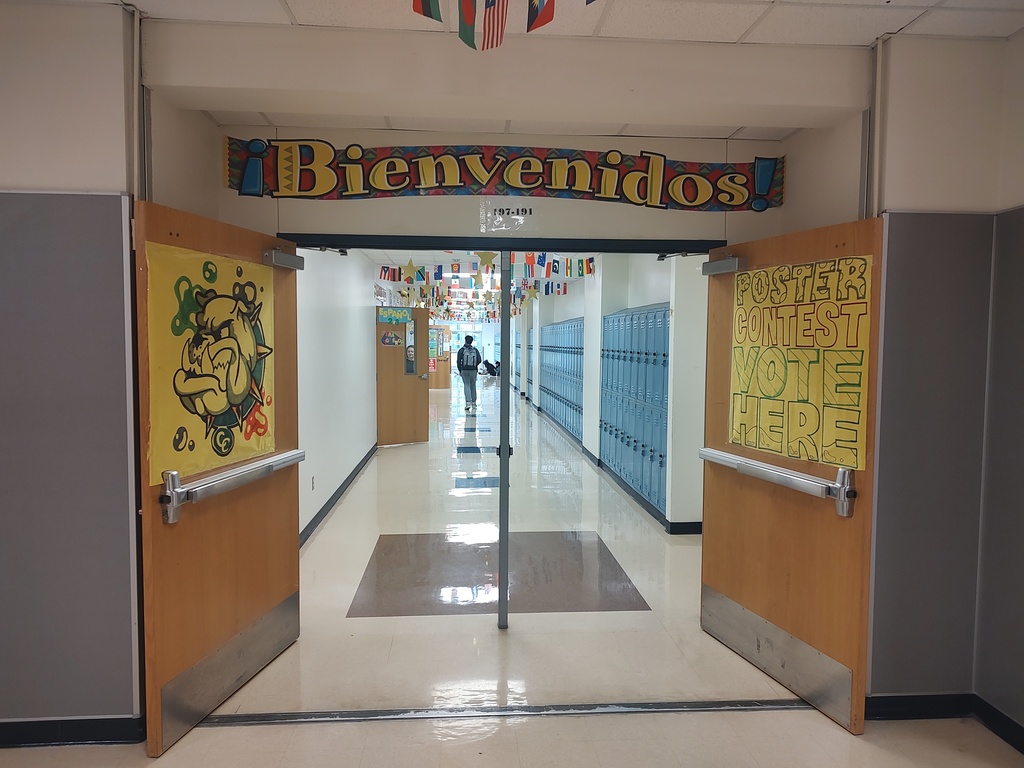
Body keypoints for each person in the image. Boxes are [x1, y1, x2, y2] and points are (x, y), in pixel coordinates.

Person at [456, 335, 480, 411]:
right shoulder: (475, 350)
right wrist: (474, 366)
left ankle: (468, 403)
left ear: (465, 340)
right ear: (472, 341)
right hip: (473, 370)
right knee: (473, 385)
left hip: (464, 370)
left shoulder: (461, 350)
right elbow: (479, 360)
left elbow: (458, 361)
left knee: (466, 385)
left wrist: (460, 370)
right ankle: (474, 403)